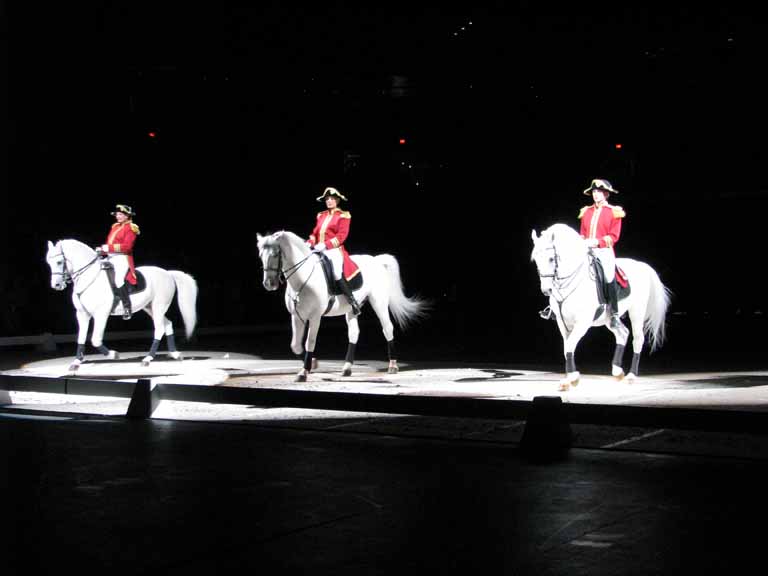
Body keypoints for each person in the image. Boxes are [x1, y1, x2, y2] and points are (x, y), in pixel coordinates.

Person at [579, 178, 626, 330]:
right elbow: (582, 233)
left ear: (606, 194)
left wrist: (597, 242)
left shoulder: (614, 211)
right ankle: (555, 307)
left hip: (604, 251)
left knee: (608, 274)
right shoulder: (586, 212)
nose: (596, 195)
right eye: (594, 192)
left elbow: (614, 236)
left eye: (599, 192)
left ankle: (614, 314)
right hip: (587, 250)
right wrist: (581, 242)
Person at [307, 187, 361, 315]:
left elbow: (342, 236)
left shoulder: (343, 215)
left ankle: (352, 301)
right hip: (319, 249)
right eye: (327, 199)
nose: (329, 201)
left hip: (334, 250)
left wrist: (325, 245)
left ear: (337, 200)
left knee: (336, 272)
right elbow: (315, 233)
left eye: (332, 199)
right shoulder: (321, 215)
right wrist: (309, 242)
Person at [96, 204, 140, 319]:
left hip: (122, 257)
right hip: (110, 257)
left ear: (127, 216)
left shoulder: (131, 228)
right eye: (117, 214)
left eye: (121, 214)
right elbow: (109, 244)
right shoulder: (115, 226)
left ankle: (127, 307)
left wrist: (107, 248)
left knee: (118, 280)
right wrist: (102, 250)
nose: (118, 217)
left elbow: (127, 247)